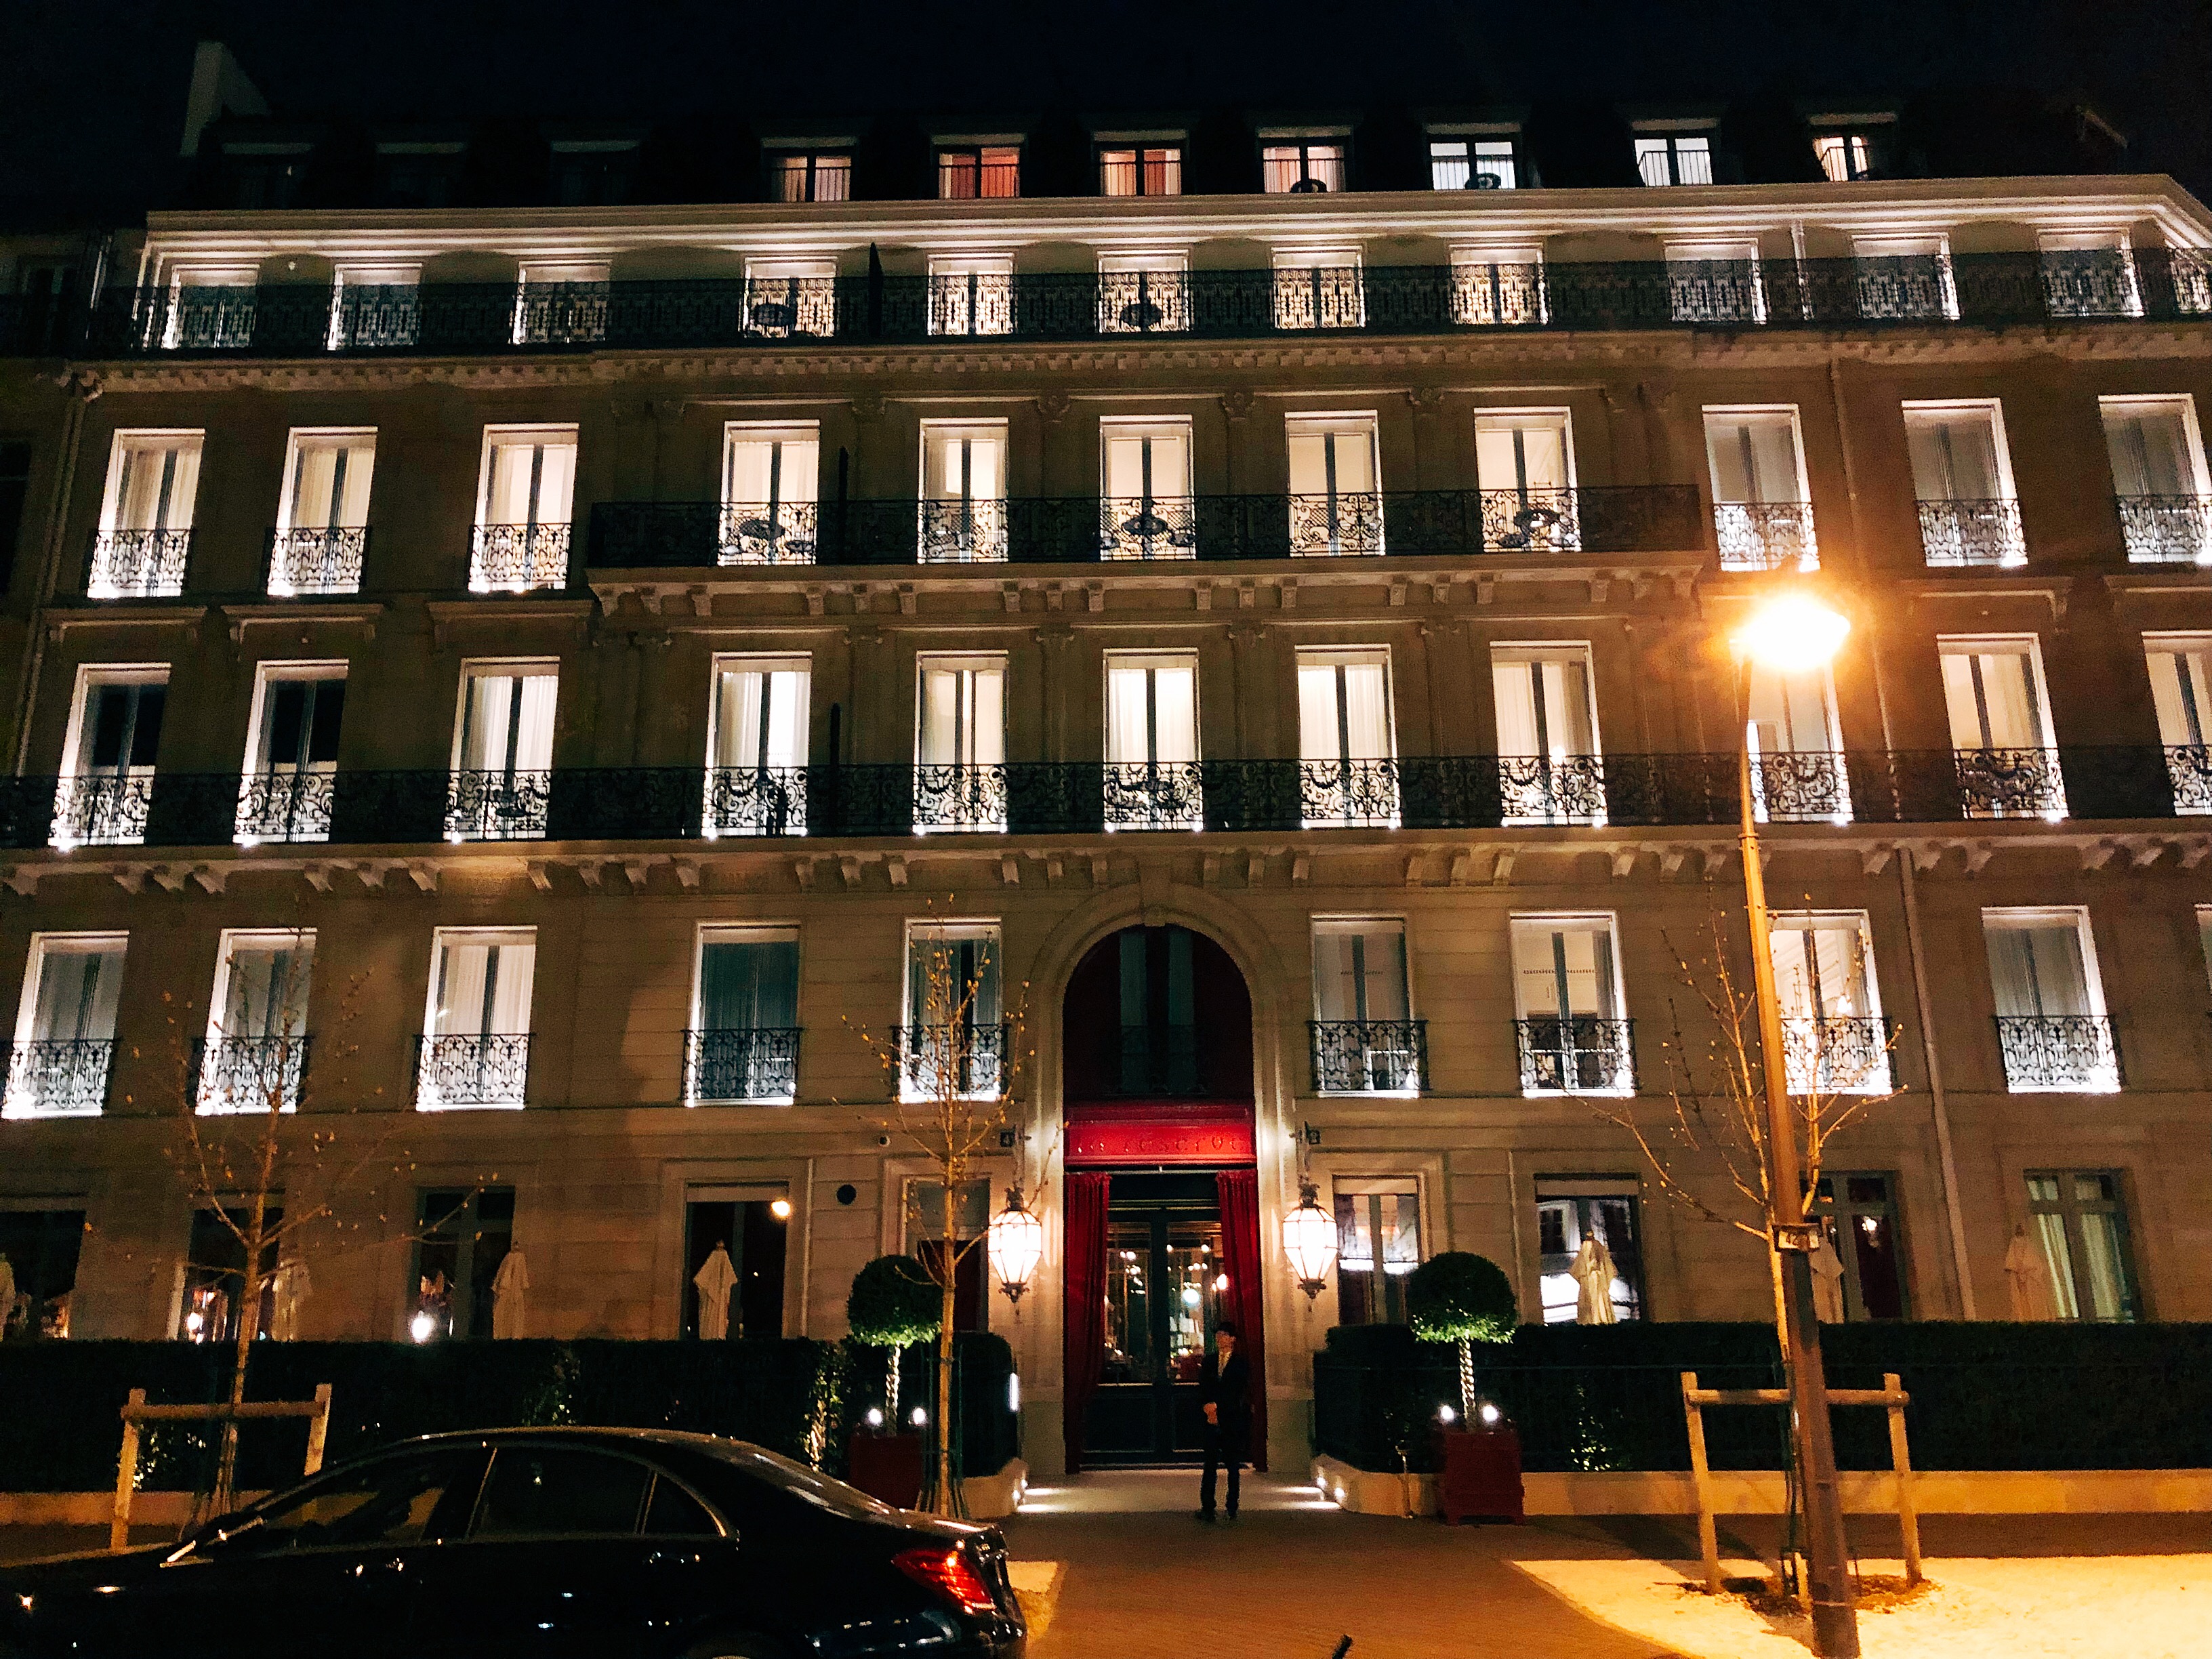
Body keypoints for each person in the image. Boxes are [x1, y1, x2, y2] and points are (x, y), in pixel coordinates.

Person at [1195, 1320, 1250, 1523]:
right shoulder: (1209, 1361)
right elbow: (1204, 1385)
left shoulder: (1240, 1363)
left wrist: (1219, 1407)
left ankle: (1232, 1505)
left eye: (1224, 1335)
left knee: (1232, 1464)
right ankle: (1207, 1506)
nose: (1220, 1339)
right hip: (1211, 1417)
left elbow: (1237, 1389)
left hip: (1231, 1418)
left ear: (1233, 1338)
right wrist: (1207, 1406)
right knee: (1209, 1464)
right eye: (1218, 1336)